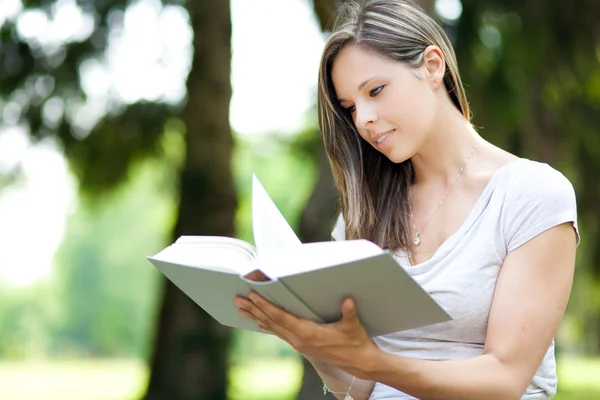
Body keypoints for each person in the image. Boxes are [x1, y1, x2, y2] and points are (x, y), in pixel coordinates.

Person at [233, 0, 580, 399]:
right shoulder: (362, 213)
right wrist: (309, 341)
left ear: (433, 66)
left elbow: (504, 380)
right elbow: (360, 387)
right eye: (350, 108)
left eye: (375, 91)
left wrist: (373, 362)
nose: (363, 119)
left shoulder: (530, 195)